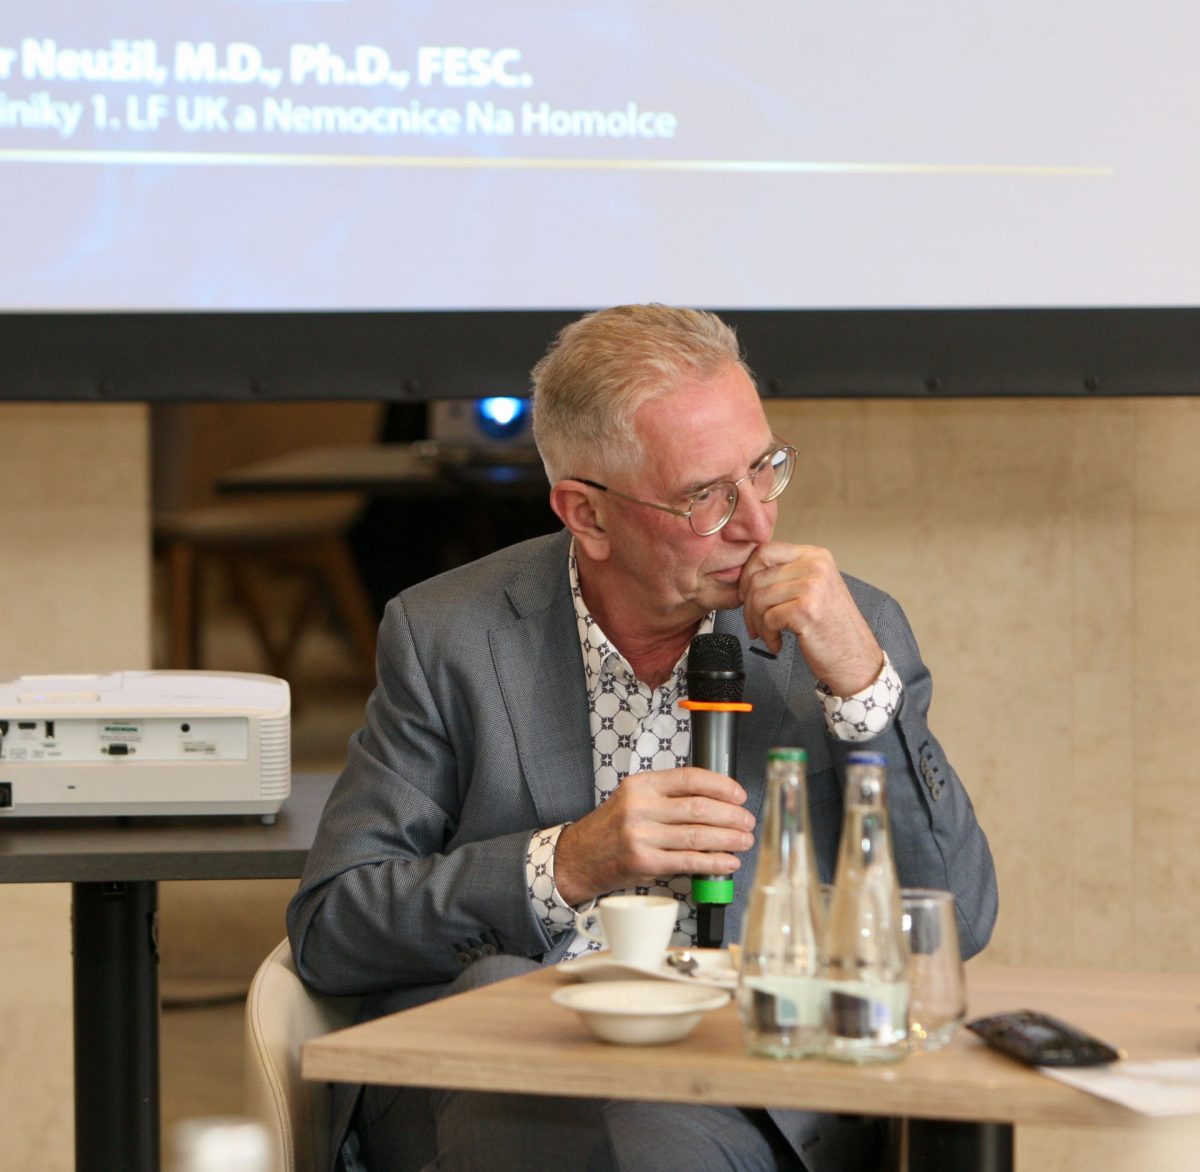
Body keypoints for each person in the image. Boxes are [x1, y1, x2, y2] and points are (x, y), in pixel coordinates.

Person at [287, 304, 998, 1172]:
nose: (758, 524)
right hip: (495, 1081)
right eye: (707, 497)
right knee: (512, 1019)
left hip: (740, 1082)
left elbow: (957, 920)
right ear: (586, 515)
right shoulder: (450, 635)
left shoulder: (846, 630)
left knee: (654, 1128)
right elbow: (334, 927)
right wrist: (565, 863)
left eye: (764, 470)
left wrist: (861, 691)